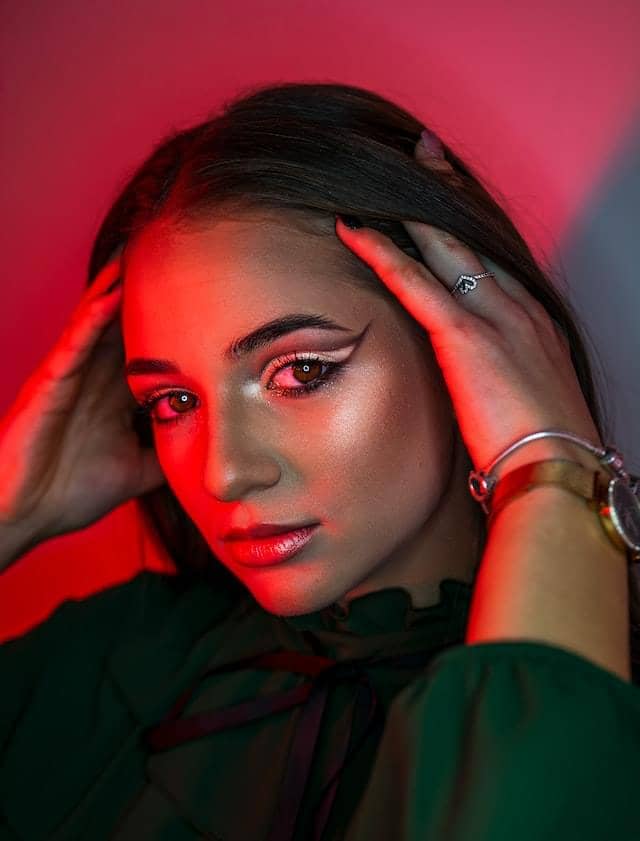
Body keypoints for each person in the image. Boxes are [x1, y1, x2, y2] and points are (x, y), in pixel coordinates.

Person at [1, 81, 639, 840]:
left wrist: (551, 466)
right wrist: (12, 509)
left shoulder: (604, 703)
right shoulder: (108, 663)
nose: (224, 473)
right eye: (172, 401)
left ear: (466, 341)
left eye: (301, 370)